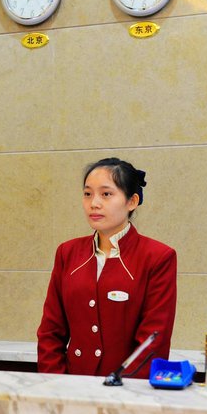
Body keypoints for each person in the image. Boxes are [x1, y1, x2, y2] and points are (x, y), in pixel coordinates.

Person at [37, 157, 176, 377]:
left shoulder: (157, 257)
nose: (94, 203)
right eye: (87, 194)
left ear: (132, 201)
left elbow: (153, 342)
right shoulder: (67, 252)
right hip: (70, 386)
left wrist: (120, 389)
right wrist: (56, 384)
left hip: (126, 389)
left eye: (106, 194)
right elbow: (50, 332)